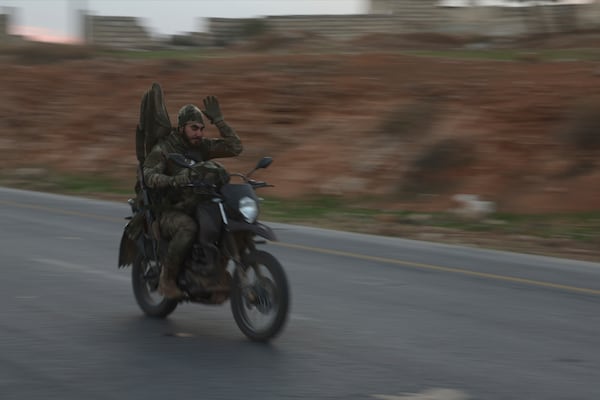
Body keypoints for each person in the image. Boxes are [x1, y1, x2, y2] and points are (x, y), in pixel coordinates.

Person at [142, 95, 242, 299]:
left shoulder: (201, 147)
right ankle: (166, 279)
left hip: (197, 204)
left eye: (202, 129)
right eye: (194, 128)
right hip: (170, 210)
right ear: (181, 128)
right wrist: (172, 181)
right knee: (188, 227)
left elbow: (235, 148)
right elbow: (148, 176)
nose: (199, 133)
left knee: (227, 223)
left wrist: (219, 121)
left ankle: (214, 274)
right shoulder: (165, 148)